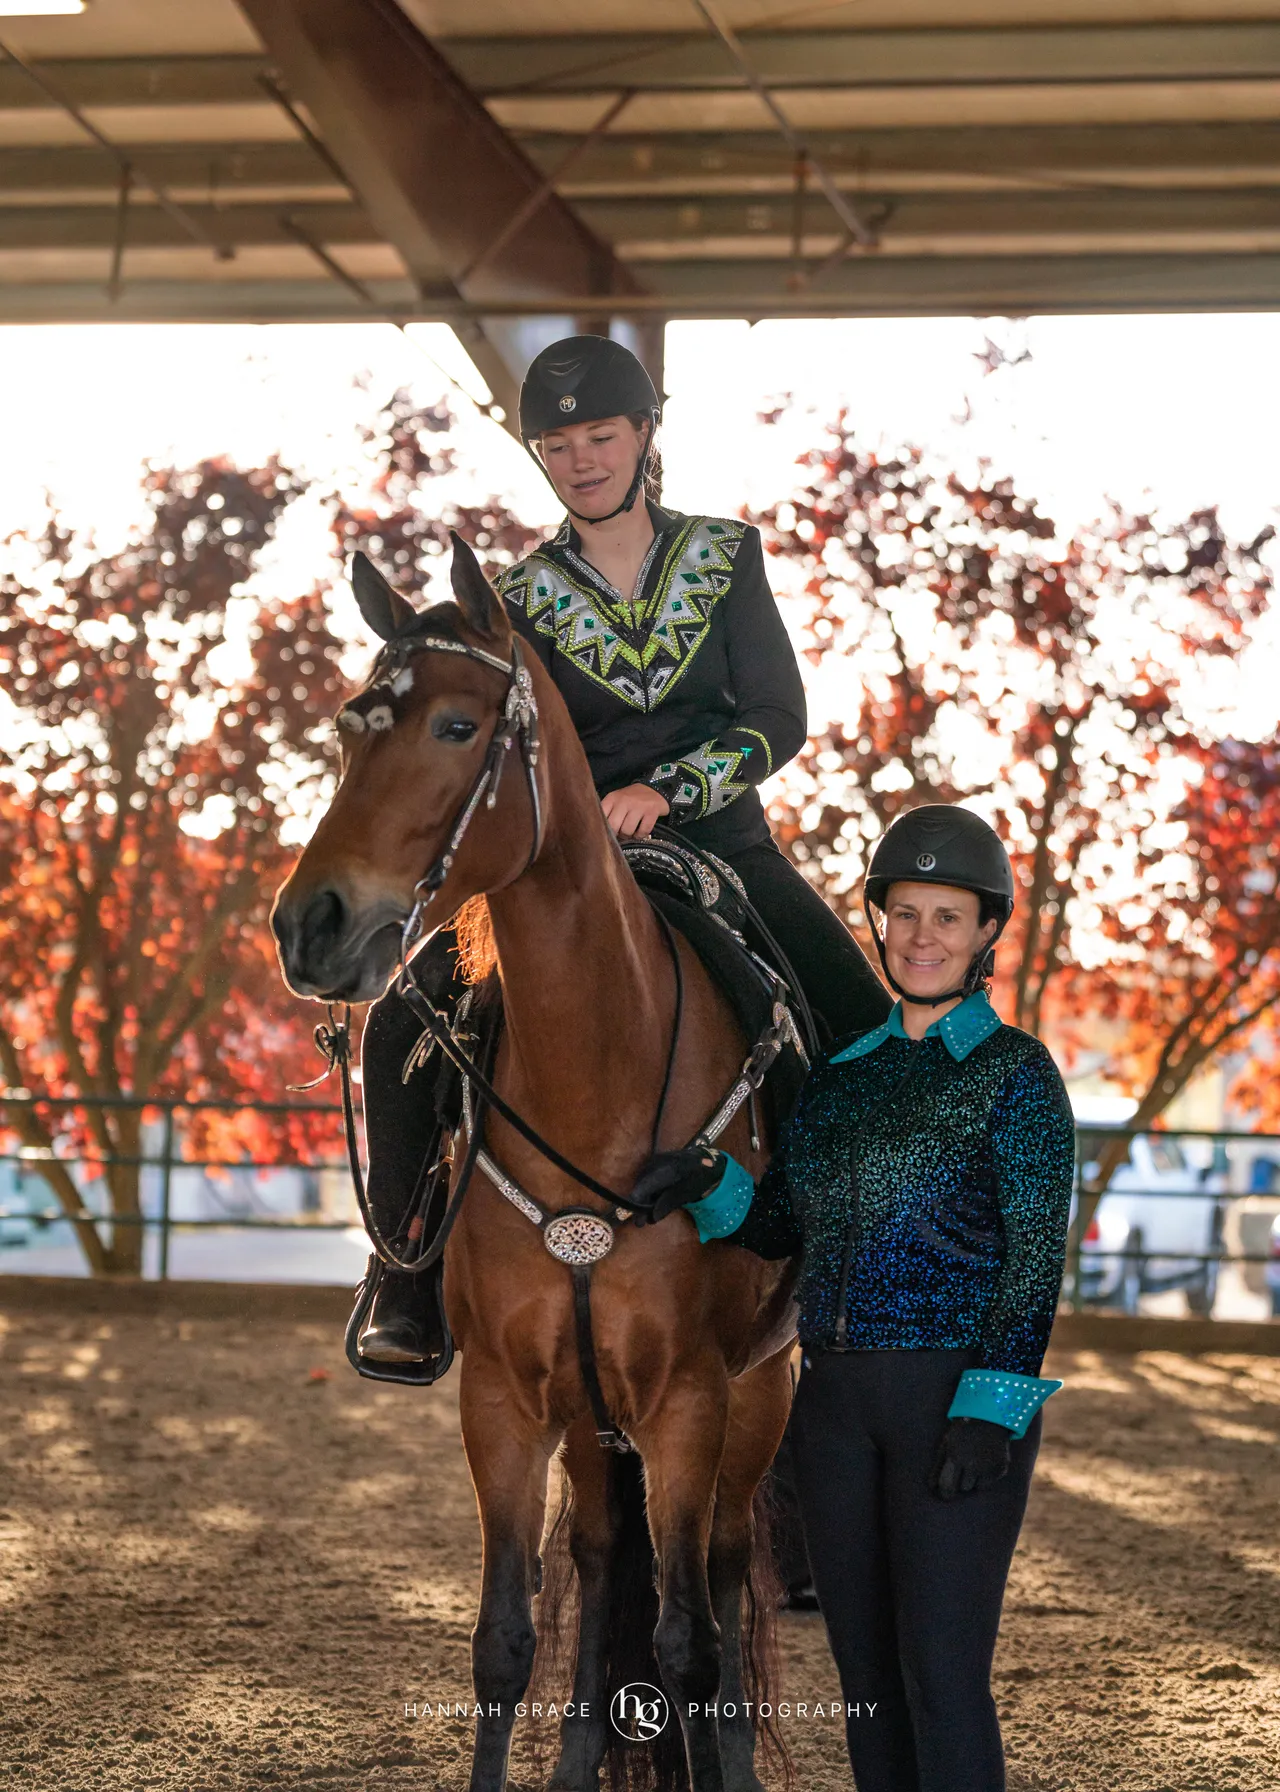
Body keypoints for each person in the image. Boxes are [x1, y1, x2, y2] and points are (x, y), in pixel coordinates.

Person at [354, 333, 890, 1367]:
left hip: (725, 846)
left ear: (645, 433)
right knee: (398, 1025)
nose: (581, 460)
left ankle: (858, 1278)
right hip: (567, 864)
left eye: (600, 435)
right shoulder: (512, 598)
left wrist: (671, 789)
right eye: (557, 446)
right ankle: (403, 1275)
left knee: (868, 1032)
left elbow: (779, 715)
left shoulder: (726, 554)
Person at [734, 804, 1076, 1792]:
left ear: (985, 932)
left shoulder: (1015, 1074)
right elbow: (776, 1225)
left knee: (941, 1677)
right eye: (905, 913)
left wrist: (992, 1403)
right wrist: (700, 1184)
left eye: (948, 917)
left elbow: (1032, 1258)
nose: (922, 936)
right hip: (831, 1409)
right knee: (866, 1684)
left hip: (949, 1402)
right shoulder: (839, 1077)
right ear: (879, 922)